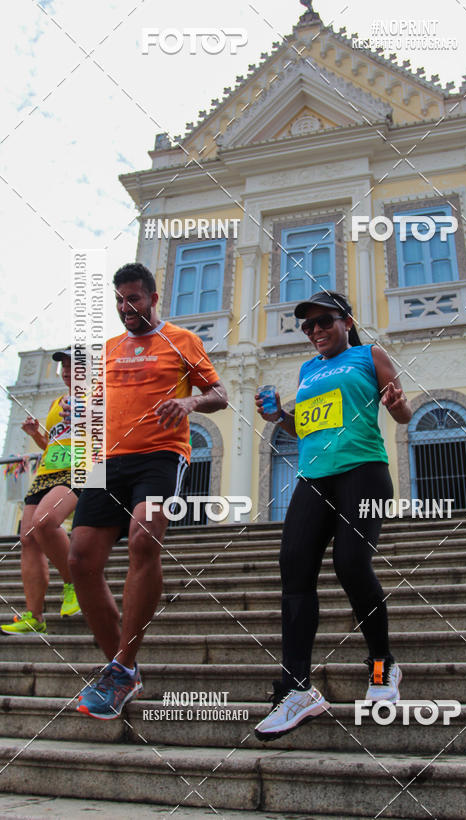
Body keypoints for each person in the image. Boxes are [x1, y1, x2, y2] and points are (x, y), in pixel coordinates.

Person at [69, 262, 228, 719]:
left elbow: (219, 393)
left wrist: (190, 400)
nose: (126, 308)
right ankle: (123, 667)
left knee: (144, 538)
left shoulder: (182, 340)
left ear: (153, 298)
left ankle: (119, 669)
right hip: (107, 462)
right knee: (80, 560)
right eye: (120, 300)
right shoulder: (109, 349)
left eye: (134, 298)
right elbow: (96, 407)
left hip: (161, 456)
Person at [254, 291, 412, 741]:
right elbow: (305, 427)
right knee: (294, 569)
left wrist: (398, 403)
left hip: (364, 472)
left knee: (350, 565)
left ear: (346, 320)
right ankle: (298, 688)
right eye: (308, 327)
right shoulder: (308, 370)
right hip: (314, 476)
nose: (316, 332)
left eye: (324, 322)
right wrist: (279, 416)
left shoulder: (369, 354)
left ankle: (383, 667)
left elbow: (402, 413)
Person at [1, 349, 80, 635]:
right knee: (28, 539)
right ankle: (35, 617)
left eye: (75, 366)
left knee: (45, 521)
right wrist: (37, 434)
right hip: (46, 472)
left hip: (80, 470)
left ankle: (75, 582)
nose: (68, 371)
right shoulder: (57, 402)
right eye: (64, 367)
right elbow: (53, 444)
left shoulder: (101, 396)